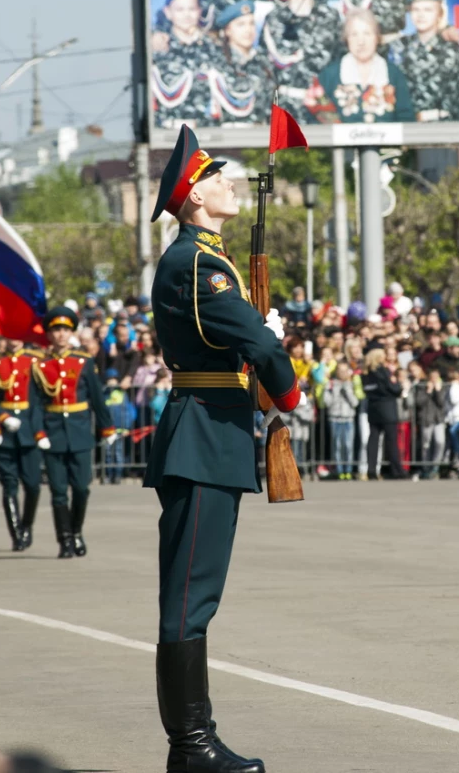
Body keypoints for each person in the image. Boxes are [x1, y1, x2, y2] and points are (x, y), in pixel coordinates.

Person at [144, 124, 303, 773]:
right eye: (217, 178)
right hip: (203, 436)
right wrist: (287, 396)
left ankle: (197, 739)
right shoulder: (198, 263)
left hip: (212, 430)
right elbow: (258, 348)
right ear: (193, 198)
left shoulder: (207, 257)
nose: (229, 182)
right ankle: (191, 747)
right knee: (189, 597)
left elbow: (240, 338)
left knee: (196, 595)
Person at [33, 307, 116, 558]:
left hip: (79, 433)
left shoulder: (83, 362)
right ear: (48, 334)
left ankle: (77, 530)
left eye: (65, 330)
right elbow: (35, 403)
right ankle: (65, 539)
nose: (60, 334)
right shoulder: (41, 365)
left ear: (71, 332)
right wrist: (39, 432)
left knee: (81, 488)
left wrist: (107, 427)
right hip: (53, 433)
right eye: (56, 330)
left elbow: (97, 399)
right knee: (58, 492)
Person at [261, 0, 340, 122]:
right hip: (284, 105)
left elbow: (339, 61)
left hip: (323, 106)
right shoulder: (274, 19)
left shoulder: (330, 17)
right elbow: (265, 68)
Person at [305, 9, 414, 124]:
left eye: (367, 34)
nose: (361, 42)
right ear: (347, 39)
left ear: (377, 38)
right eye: (354, 34)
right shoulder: (329, 75)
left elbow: (406, 120)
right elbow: (315, 121)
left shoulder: (393, 74)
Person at [0, 340, 50, 551]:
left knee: (33, 485)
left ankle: (27, 525)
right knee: (9, 485)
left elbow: (38, 401)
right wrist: (1, 418)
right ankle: (17, 533)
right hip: (5, 432)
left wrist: (39, 430)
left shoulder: (34, 363)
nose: (12, 341)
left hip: (28, 430)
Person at [391, 0, 459, 122]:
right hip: (407, 127)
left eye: (428, 10)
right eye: (416, 9)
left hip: (445, 129)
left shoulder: (454, 50)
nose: (421, 15)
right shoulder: (398, 46)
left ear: (440, 13)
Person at [152, 0, 216, 128]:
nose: (186, 15)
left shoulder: (212, 48)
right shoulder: (159, 48)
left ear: (200, 11)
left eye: (192, 9)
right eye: (179, 10)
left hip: (207, 134)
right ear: (168, 12)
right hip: (166, 135)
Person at [209, 0, 275, 124]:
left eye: (251, 24)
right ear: (227, 30)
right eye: (241, 24)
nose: (248, 30)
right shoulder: (216, 65)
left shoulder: (264, 63)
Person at [362, 347, 405, 480]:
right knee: (391, 441)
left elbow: (368, 389)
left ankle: (371, 470)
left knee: (373, 439)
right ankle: (396, 470)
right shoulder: (383, 371)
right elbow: (393, 389)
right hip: (387, 409)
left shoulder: (366, 372)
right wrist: (398, 385)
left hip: (373, 409)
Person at [324, 359, 359, 479]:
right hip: (335, 418)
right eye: (340, 371)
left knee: (348, 445)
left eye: (345, 371)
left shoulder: (352, 383)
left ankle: (348, 470)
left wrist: (348, 391)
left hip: (348, 418)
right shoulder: (330, 384)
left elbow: (355, 403)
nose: (343, 373)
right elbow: (326, 402)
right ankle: (339, 471)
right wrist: (335, 391)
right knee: (337, 446)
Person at [103, 369, 135, 485]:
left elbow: (127, 412)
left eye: (114, 379)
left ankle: (117, 475)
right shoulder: (104, 394)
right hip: (108, 429)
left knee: (118, 452)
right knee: (107, 453)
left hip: (119, 428)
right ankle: (108, 474)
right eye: (109, 380)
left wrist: (126, 427)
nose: (112, 382)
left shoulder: (121, 393)